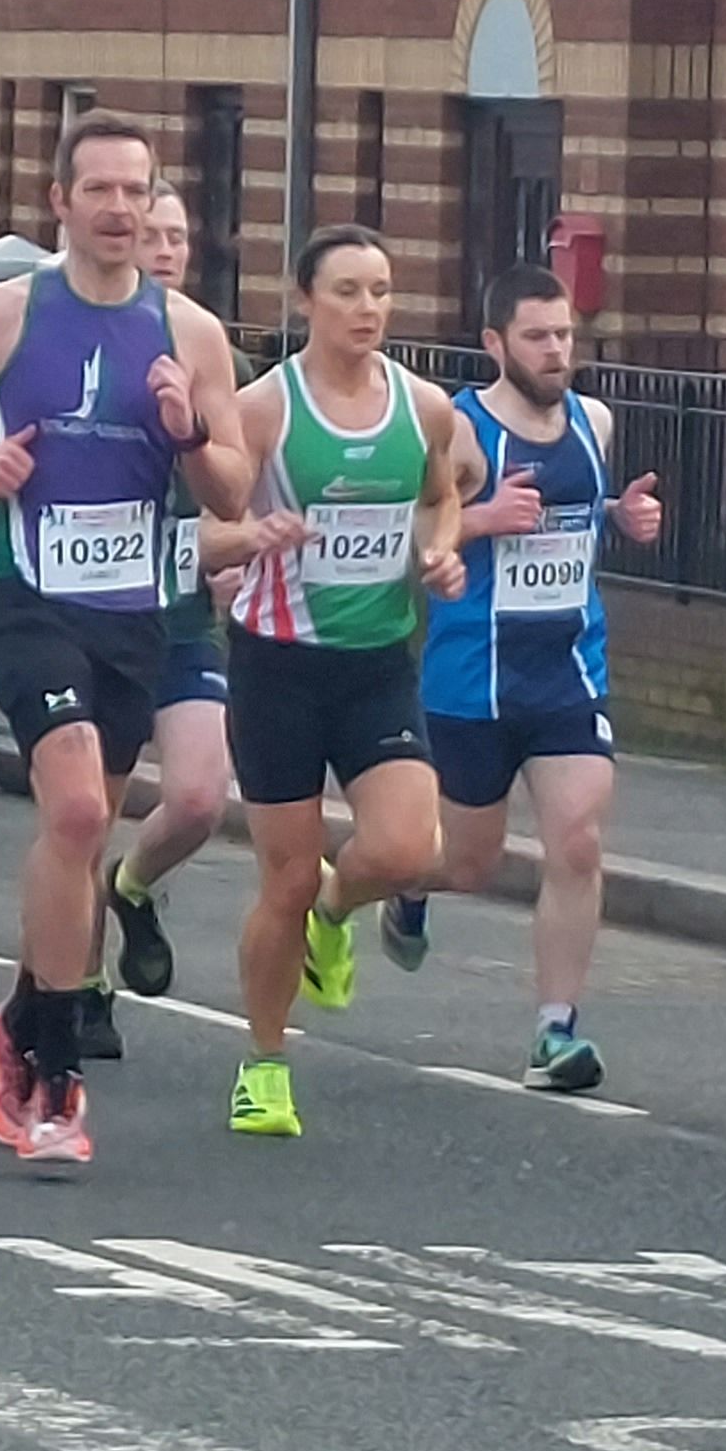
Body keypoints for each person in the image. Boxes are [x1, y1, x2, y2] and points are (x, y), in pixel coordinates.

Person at [0, 110, 254, 1168]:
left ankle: (16, 1021)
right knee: (67, 809)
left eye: (136, 191)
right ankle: (52, 1076)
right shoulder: (3, 312)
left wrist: (185, 430)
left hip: (134, 607)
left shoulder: (190, 333)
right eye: (98, 190)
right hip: (26, 592)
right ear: (59, 203)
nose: (119, 209)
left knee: (86, 830)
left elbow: (229, 487)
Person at [199, 226, 469, 1136]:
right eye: (348, 291)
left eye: (381, 291)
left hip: (378, 663)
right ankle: (266, 1062)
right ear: (304, 299)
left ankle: (338, 907)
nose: (367, 310)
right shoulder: (265, 410)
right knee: (281, 877)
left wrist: (438, 552)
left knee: (407, 850)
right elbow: (203, 526)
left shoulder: (424, 407)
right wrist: (252, 540)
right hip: (277, 666)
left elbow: (442, 495)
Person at [396, 265, 666, 1090]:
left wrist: (626, 517)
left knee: (578, 843)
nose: (556, 354)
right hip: (474, 675)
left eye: (565, 337)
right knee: (467, 865)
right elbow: (411, 537)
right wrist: (481, 519)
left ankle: (556, 1033)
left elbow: (582, 518)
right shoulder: (463, 430)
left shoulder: (595, 422)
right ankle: (399, 883)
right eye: (538, 338)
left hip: (568, 671)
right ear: (494, 343)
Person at [78, 187, 241, 1058]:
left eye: (180, 235)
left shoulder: (207, 349)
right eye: (154, 232)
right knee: (82, 813)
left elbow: (234, 483)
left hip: (178, 616)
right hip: (93, 610)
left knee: (197, 796)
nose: (166, 247)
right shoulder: (79, 339)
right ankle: (82, 985)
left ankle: (133, 886)